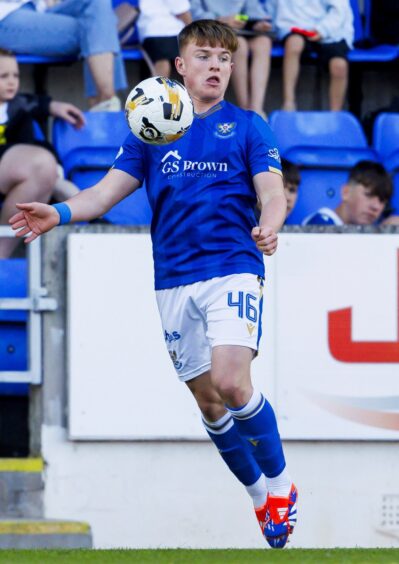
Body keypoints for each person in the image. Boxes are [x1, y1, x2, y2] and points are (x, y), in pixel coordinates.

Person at [9, 20, 297, 549]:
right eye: (204, 56)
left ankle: (281, 486)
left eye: (224, 58)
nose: (216, 65)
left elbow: (272, 191)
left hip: (233, 266)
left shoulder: (250, 126)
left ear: (233, 68)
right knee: (210, 403)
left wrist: (271, 224)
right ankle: (258, 494)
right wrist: (59, 210)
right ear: (180, 67)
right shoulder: (152, 128)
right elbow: (101, 195)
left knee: (234, 382)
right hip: (173, 279)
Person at [0, 48, 84, 258]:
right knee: (45, 168)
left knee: (46, 169)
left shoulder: (19, 105)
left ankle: (2, 255)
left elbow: (39, 104)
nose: (11, 82)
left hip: (14, 175)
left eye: (16, 76)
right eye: (3, 76)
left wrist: (56, 106)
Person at [0, 0, 127, 111]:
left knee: (98, 7)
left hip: (40, 8)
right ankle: (106, 105)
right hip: (6, 14)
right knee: (99, 28)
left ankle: (104, 104)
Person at [190, 0, 273, 117]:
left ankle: (257, 110)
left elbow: (253, 11)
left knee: (263, 42)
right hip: (212, 30)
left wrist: (257, 23)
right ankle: (244, 110)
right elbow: (193, 13)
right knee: (240, 45)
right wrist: (220, 20)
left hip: (243, 30)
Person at [267, 0, 354, 111]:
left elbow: (339, 10)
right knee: (294, 44)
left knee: (339, 66)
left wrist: (322, 30)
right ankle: (289, 104)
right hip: (294, 28)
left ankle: (335, 115)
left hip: (332, 32)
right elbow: (274, 10)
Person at [302, 160, 392, 225]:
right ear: (346, 192)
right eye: (368, 195)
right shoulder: (321, 223)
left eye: (382, 201)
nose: (375, 207)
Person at [137, 0, 192, 78]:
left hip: (151, 32)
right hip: (164, 32)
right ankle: (157, 88)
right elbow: (183, 12)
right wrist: (194, 33)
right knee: (163, 62)